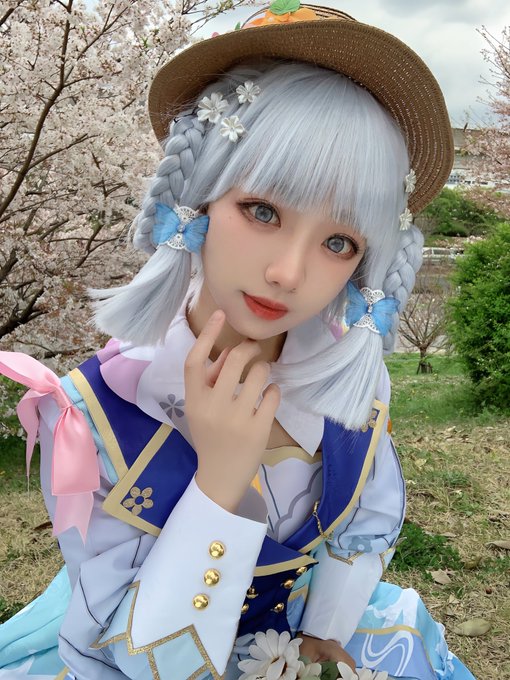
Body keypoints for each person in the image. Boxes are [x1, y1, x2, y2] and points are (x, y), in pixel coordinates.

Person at [0, 3, 475, 679]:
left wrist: (325, 632)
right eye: (262, 210)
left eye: (339, 242)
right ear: (198, 198)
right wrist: (219, 485)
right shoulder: (90, 411)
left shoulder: (351, 379)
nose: (289, 273)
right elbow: (126, 655)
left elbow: (364, 526)